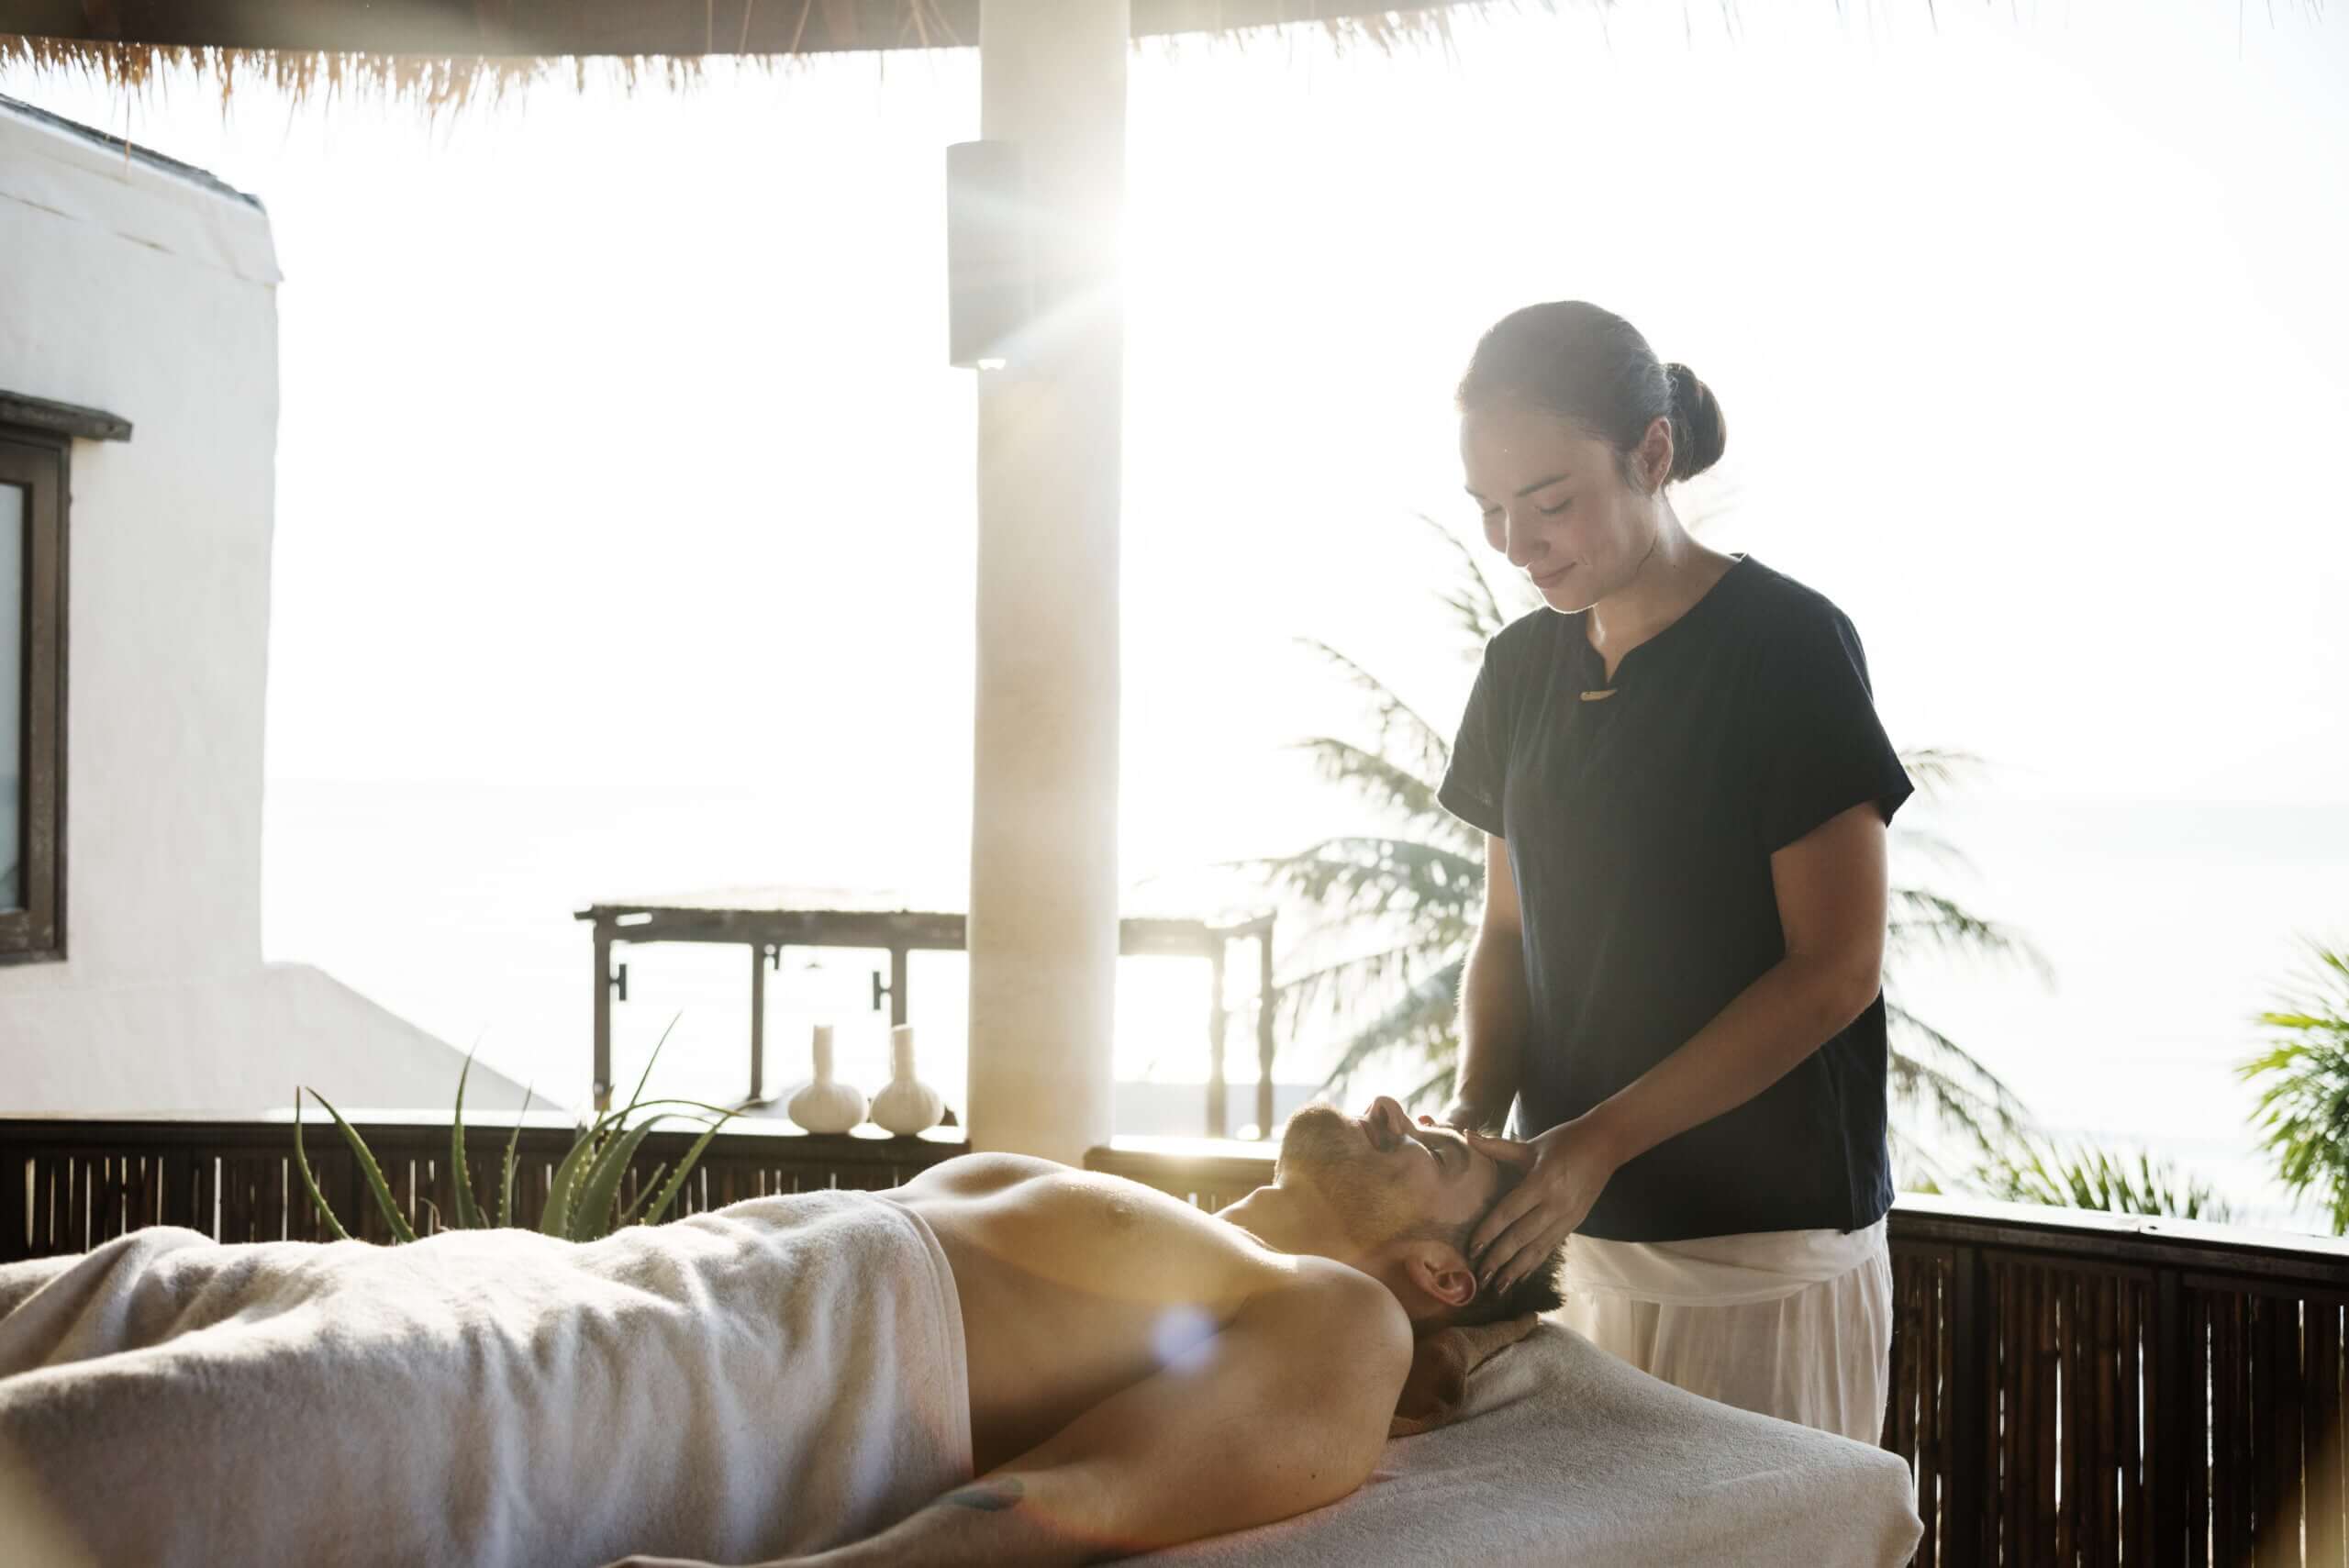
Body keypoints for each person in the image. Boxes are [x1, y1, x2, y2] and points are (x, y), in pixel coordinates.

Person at [0, 1099, 1564, 1568]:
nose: (1401, 1105)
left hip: (533, 1397)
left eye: (1457, 1146)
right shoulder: (1195, 1234)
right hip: (479, 1288)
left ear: (1441, 1270)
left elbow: (1066, 1503)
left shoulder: (1340, 1318)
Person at [1429, 300, 1912, 1444]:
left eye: (1548, 500)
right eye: (1489, 509)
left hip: (1761, 1255)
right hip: (1569, 1248)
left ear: (1652, 454)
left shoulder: (1785, 646)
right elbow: (1509, 935)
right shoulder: (1516, 671)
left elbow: (1835, 968)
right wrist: (1468, 1126)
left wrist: (1595, 1137)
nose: (1516, 540)